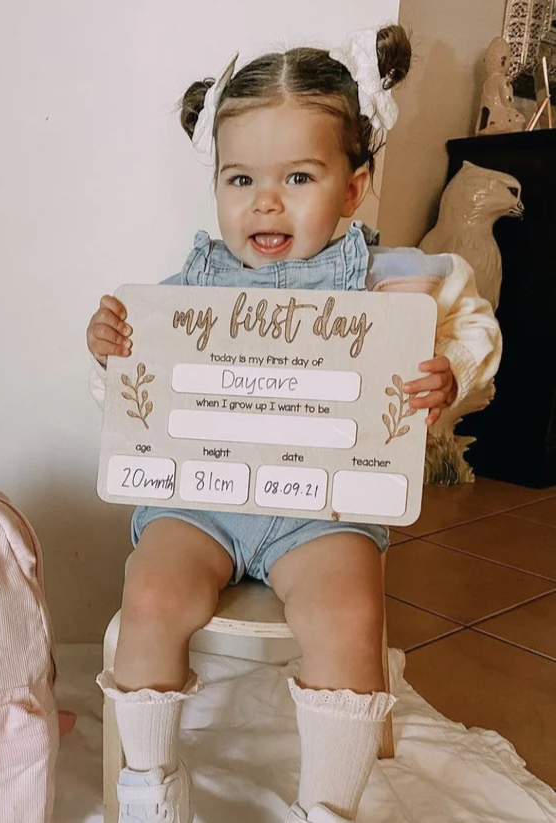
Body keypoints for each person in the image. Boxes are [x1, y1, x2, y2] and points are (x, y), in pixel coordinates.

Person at [85, 24, 501, 823]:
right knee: (150, 588)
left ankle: (328, 803)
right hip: (199, 500)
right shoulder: (188, 287)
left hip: (320, 506)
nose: (264, 201)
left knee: (348, 608)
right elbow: (140, 406)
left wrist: (439, 378)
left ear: (351, 187)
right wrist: (114, 352)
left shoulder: (391, 283)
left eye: (298, 176)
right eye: (239, 178)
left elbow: (467, 344)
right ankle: (147, 786)